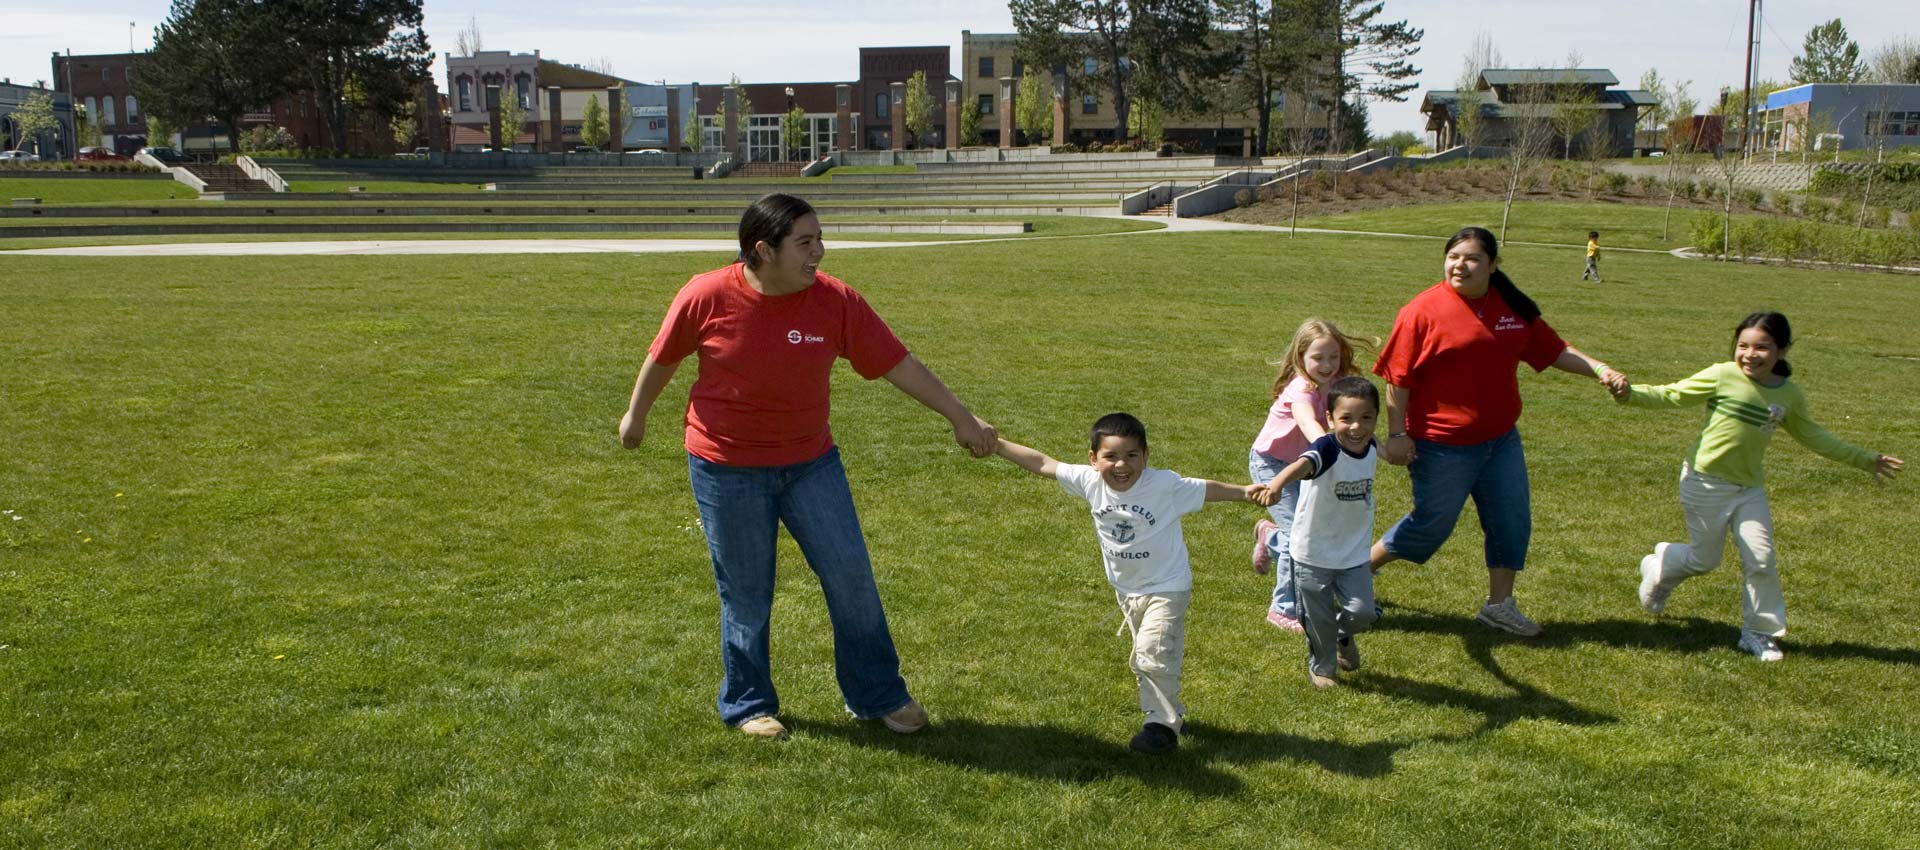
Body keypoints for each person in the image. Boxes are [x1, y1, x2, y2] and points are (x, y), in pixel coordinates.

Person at [619, 193, 997, 739]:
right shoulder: (705, 295)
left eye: (819, 238)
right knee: (746, 591)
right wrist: (636, 416)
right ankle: (749, 702)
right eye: (805, 242)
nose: (820, 252)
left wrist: (961, 417)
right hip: (726, 467)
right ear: (762, 250)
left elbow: (897, 362)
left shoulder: (835, 302)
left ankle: (877, 695)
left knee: (851, 577)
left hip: (810, 463)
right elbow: (664, 355)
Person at [1607, 311, 1904, 661]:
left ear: (1782, 350)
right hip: (1704, 483)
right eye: (1743, 346)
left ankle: (1759, 633)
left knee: (1761, 560)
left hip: (1749, 490)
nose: (1750, 354)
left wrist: (1865, 458)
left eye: (1762, 347)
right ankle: (1663, 564)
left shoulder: (1789, 395)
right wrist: (1629, 394)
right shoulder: (1722, 376)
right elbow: (1672, 395)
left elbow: (1813, 436)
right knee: (1704, 561)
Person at [1370, 226, 1621, 637]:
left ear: (1492, 265)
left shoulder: (1510, 306)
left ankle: (1499, 605)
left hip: (1500, 442)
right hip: (1441, 446)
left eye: (1471, 258)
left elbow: (1552, 349)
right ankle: (1357, 572)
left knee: (1510, 521)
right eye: (1453, 256)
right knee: (1430, 526)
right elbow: (1398, 377)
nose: (1460, 265)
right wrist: (1397, 435)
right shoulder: (1422, 310)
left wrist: (1600, 369)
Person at [993, 413, 1263, 755]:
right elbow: (1044, 463)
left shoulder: (1163, 485)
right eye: (1111, 456)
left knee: (1152, 653)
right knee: (1151, 655)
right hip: (1127, 590)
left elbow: (1207, 488)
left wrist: (1244, 493)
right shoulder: (1089, 481)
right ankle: (1171, 712)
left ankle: (1160, 728)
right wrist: (998, 444)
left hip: (1168, 585)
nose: (1122, 465)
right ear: (1094, 459)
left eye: (1132, 455)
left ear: (1146, 456)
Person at [1254, 377, 1383, 688]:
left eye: (1366, 418)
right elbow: (1300, 465)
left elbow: (1389, 451)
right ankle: (1323, 669)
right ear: (1329, 419)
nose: (1356, 427)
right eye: (1346, 419)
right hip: (1311, 553)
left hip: (1353, 553)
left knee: (1363, 612)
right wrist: (1276, 485)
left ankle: (1342, 636)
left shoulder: (1371, 446)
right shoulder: (1327, 448)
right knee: (1317, 617)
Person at [1247, 318, 1373, 633]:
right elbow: (1310, 426)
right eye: (1318, 358)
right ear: (1301, 358)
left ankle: (1269, 536)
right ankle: (1282, 608)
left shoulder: (1340, 382)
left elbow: (1349, 418)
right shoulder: (1299, 390)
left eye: (1333, 357)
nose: (1327, 365)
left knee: (1309, 530)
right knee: (1298, 536)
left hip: (1307, 464)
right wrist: (1331, 447)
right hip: (1273, 463)